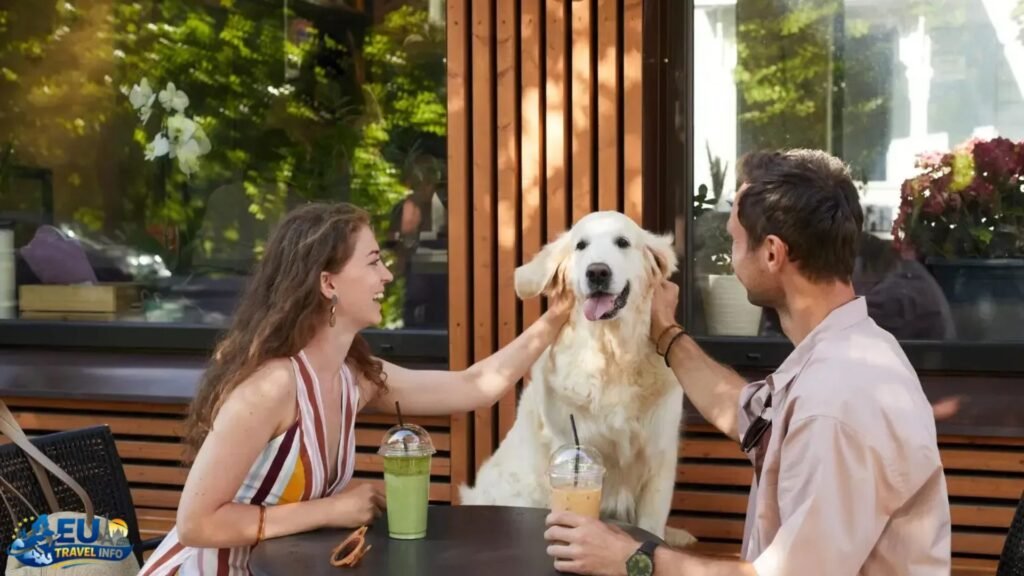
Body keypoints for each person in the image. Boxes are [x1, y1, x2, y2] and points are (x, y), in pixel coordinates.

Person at [544, 149, 951, 575]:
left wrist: (633, 560)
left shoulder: (838, 404)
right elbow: (750, 418)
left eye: (734, 241)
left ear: (772, 254)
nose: (729, 256)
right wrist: (665, 333)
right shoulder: (849, 351)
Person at [140, 202, 570, 575]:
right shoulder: (271, 386)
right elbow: (196, 522)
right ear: (328, 283)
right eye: (372, 262)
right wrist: (328, 509)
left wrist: (554, 318)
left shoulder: (355, 377)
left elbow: (474, 386)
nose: (387, 275)